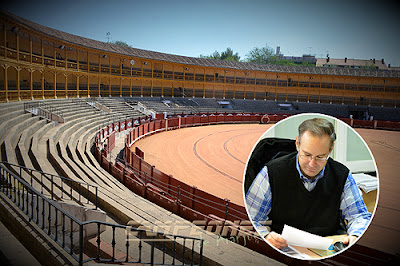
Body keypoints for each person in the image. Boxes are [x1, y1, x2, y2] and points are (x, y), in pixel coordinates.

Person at [245, 118, 372, 250]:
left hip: (326, 248)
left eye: (320, 157)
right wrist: (265, 236)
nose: (312, 164)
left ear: (331, 149)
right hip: (282, 249)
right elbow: (252, 218)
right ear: (297, 144)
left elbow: (359, 216)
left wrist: (356, 235)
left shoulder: (342, 175)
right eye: (306, 155)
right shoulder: (271, 172)